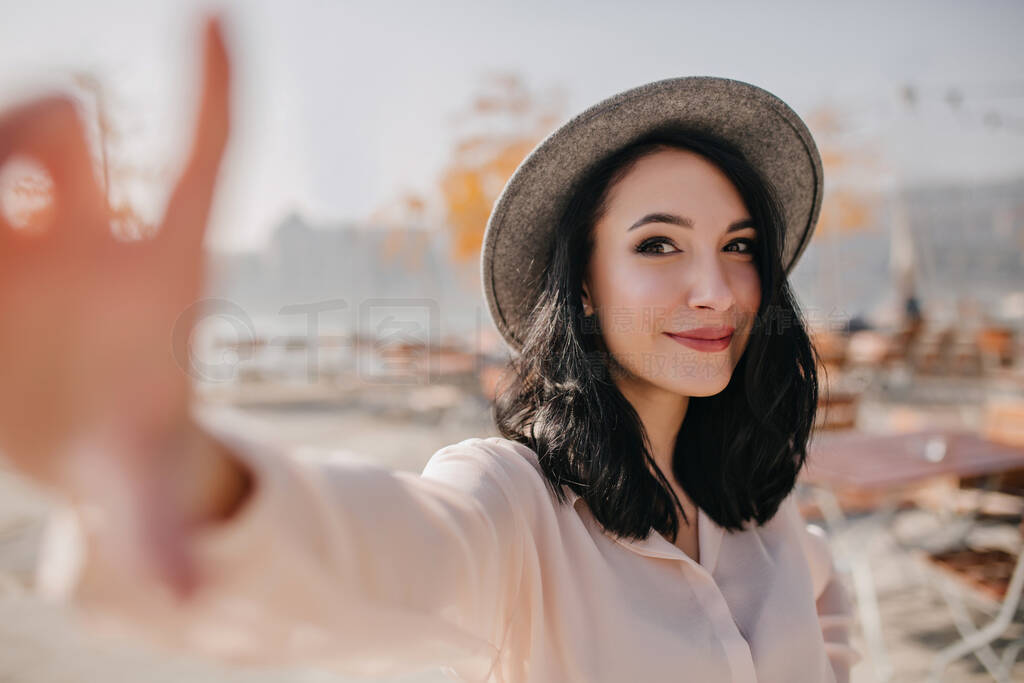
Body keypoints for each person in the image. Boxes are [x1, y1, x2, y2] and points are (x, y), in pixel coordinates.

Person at [0, 16, 861, 683]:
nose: (716, 288)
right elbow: (373, 556)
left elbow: (826, 612)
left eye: (741, 245)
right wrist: (170, 459)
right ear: (586, 289)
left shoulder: (771, 522)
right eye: (660, 245)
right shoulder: (514, 508)